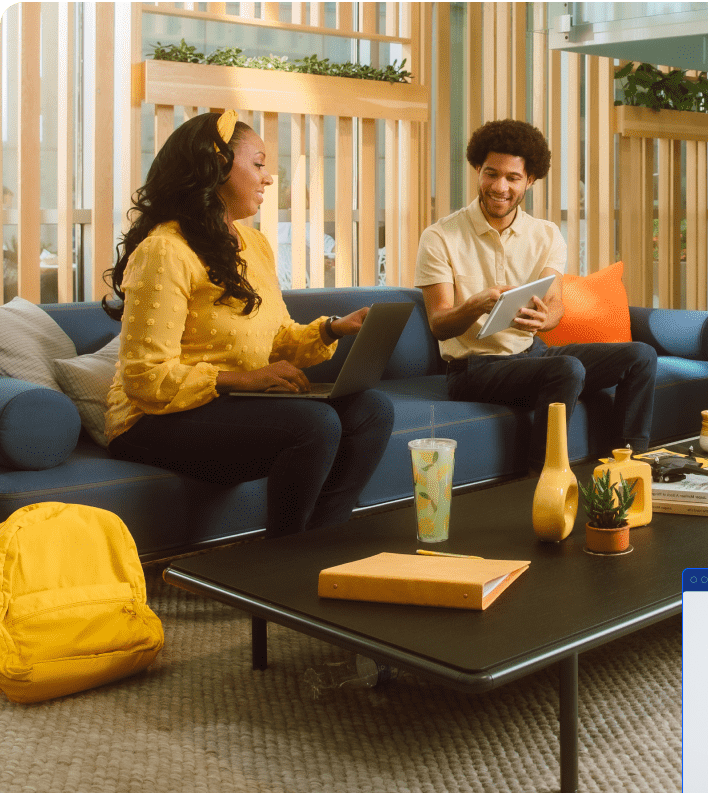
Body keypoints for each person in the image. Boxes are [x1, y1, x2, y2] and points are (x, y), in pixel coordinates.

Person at [103, 109, 394, 538]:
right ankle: (276, 571)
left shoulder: (252, 243)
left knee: (372, 410)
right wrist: (245, 379)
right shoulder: (165, 250)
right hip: (152, 419)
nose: (269, 178)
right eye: (258, 164)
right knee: (314, 425)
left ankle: (320, 545)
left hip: (227, 405)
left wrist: (333, 328)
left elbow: (275, 340)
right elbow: (144, 378)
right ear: (215, 167)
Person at [414, 119, 657, 472]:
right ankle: (542, 478)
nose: (499, 187)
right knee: (566, 369)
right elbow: (439, 325)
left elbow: (555, 303)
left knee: (642, 356)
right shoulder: (439, 237)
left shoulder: (545, 235)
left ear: (529, 180)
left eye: (512, 178)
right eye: (490, 173)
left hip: (531, 356)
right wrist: (477, 304)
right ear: (478, 170)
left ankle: (627, 467)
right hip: (472, 369)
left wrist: (548, 317)